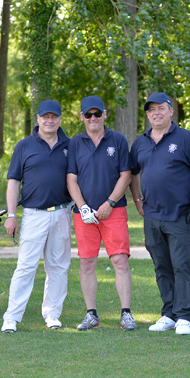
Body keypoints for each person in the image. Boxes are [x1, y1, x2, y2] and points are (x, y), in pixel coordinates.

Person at [130, 92, 190, 335]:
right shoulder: (140, 142)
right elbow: (133, 173)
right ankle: (168, 313)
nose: (157, 113)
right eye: (152, 110)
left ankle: (184, 317)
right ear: (147, 114)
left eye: (161, 108)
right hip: (151, 216)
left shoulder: (185, 139)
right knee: (162, 266)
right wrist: (137, 200)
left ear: (170, 111)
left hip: (178, 214)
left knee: (181, 265)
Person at [1, 100, 72, 333]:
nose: (49, 120)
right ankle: (11, 317)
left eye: (54, 116)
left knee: (58, 267)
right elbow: (13, 182)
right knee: (25, 267)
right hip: (33, 214)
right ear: (38, 118)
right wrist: (11, 215)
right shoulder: (24, 146)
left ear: (60, 119)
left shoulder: (70, 146)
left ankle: (52, 313)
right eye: (45, 117)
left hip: (62, 212)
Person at [66, 95, 136, 331]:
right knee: (87, 263)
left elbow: (126, 175)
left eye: (97, 114)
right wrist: (83, 206)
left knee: (119, 260)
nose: (93, 118)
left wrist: (109, 202)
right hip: (83, 213)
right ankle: (91, 314)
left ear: (105, 114)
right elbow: (71, 179)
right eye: (88, 114)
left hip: (113, 211)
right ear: (82, 117)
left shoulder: (117, 140)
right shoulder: (75, 143)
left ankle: (126, 313)